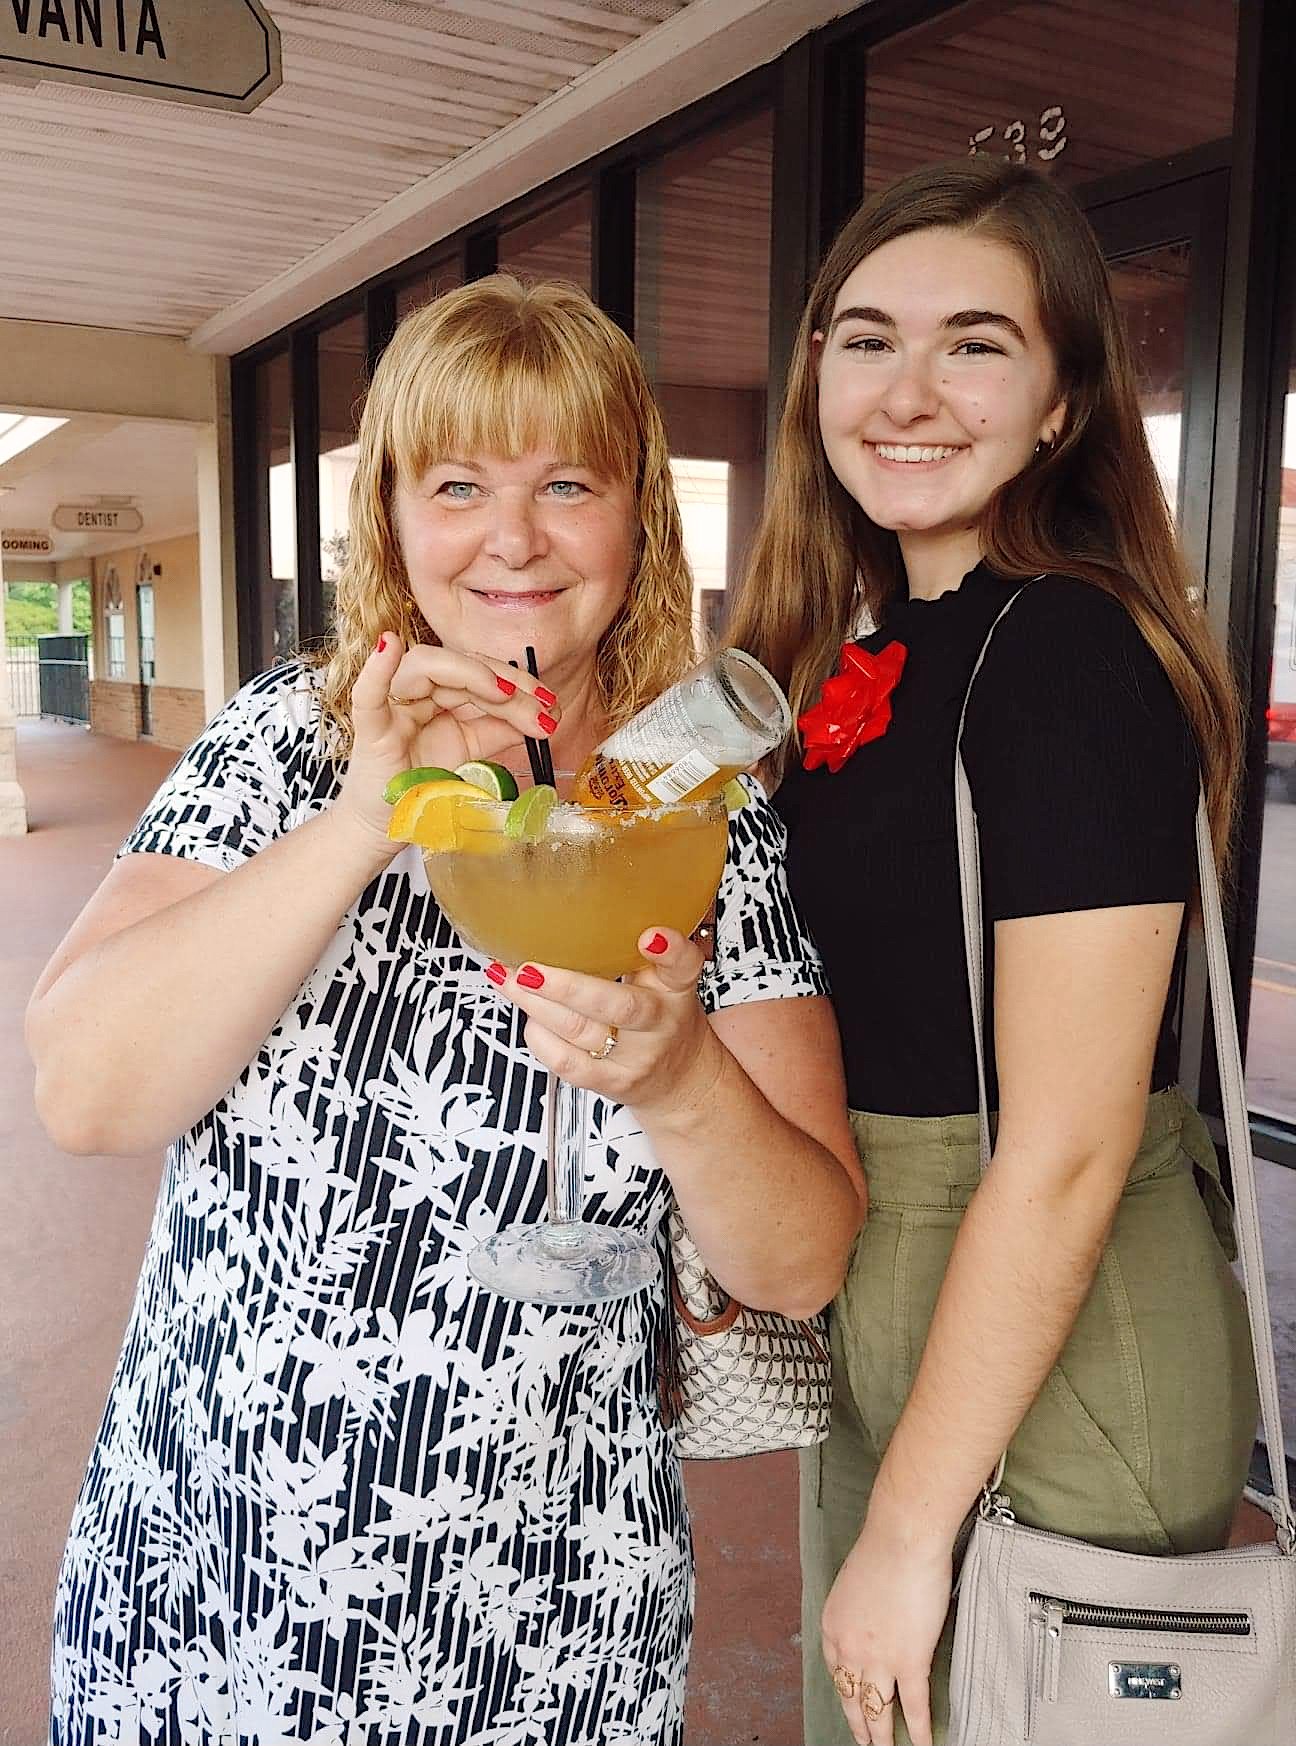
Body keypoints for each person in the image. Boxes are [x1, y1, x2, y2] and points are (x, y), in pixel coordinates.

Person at [29, 276, 865, 1746]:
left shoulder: (700, 808)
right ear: (398, 517)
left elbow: (800, 1261)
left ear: (638, 519)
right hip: (226, 1585)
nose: (515, 538)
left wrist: (678, 1083)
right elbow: (85, 1090)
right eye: (461, 482)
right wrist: (364, 818)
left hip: (555, 1625)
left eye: (568, 484)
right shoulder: (294, 739)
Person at [725, 158, 1259, 1746]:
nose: (906, 390)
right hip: (893, 1285)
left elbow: (1074, 1151)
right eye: (865, 337)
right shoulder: (859, 649)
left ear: (1063, 400)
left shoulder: (1072, 651)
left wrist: (905, 1529)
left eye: (973, 342)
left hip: (1055, 1310)